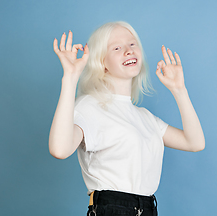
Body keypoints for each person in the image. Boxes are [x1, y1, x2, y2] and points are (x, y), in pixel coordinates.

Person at [49, 21, 205, 216]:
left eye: (132, 44)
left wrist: (179, 90)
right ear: (102, 62)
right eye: (117, 47)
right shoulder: (89, 107)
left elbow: (195, 142)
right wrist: (70, 78)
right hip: (112, 209)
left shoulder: (145, 117)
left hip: (147, 208)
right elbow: (60, 149)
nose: (128, 51)